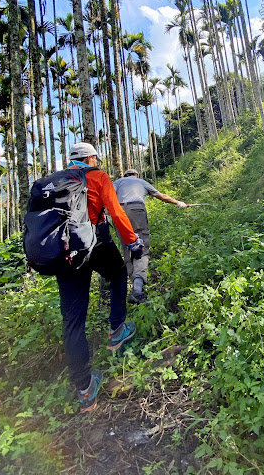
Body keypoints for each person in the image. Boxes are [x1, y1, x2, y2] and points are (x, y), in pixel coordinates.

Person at [58, 143, 144, 413]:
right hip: (93, 243)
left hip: (63, 253)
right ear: (90, 158)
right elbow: (116, 213)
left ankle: (85, 391)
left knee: (72, 319)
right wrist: (133, 243)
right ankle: (117, 329)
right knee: (118, 274)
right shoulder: (98, 176)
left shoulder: (54, 181)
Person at [113, 169, 188, 304]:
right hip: (137, 210)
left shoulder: (117, 182)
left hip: (118, 212)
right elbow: (161, 196)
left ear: (125, 176)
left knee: (127, 247)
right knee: (141, 246)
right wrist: (178, 202)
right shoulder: (141, 182)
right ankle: (137, 288)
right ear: (136, 175)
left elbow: (108, 196)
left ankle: (134, 285)